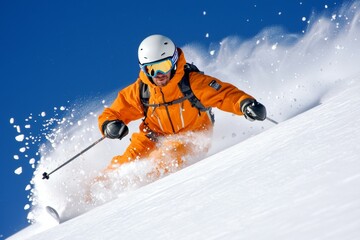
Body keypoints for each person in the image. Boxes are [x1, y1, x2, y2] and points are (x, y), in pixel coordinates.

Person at [98, 34, 266, 173]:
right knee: (121, 167)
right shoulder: (141, 90)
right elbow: (114, 112)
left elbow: (224, 95)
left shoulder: (192, 83)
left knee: (167, 157)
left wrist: (246, 104)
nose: (158, 74)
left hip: (192, 138)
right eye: (151, 69)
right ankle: (89, 198)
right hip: (152, 137)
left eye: (163, 66)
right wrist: (109, 125)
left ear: (174, 61)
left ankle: (148, 198)